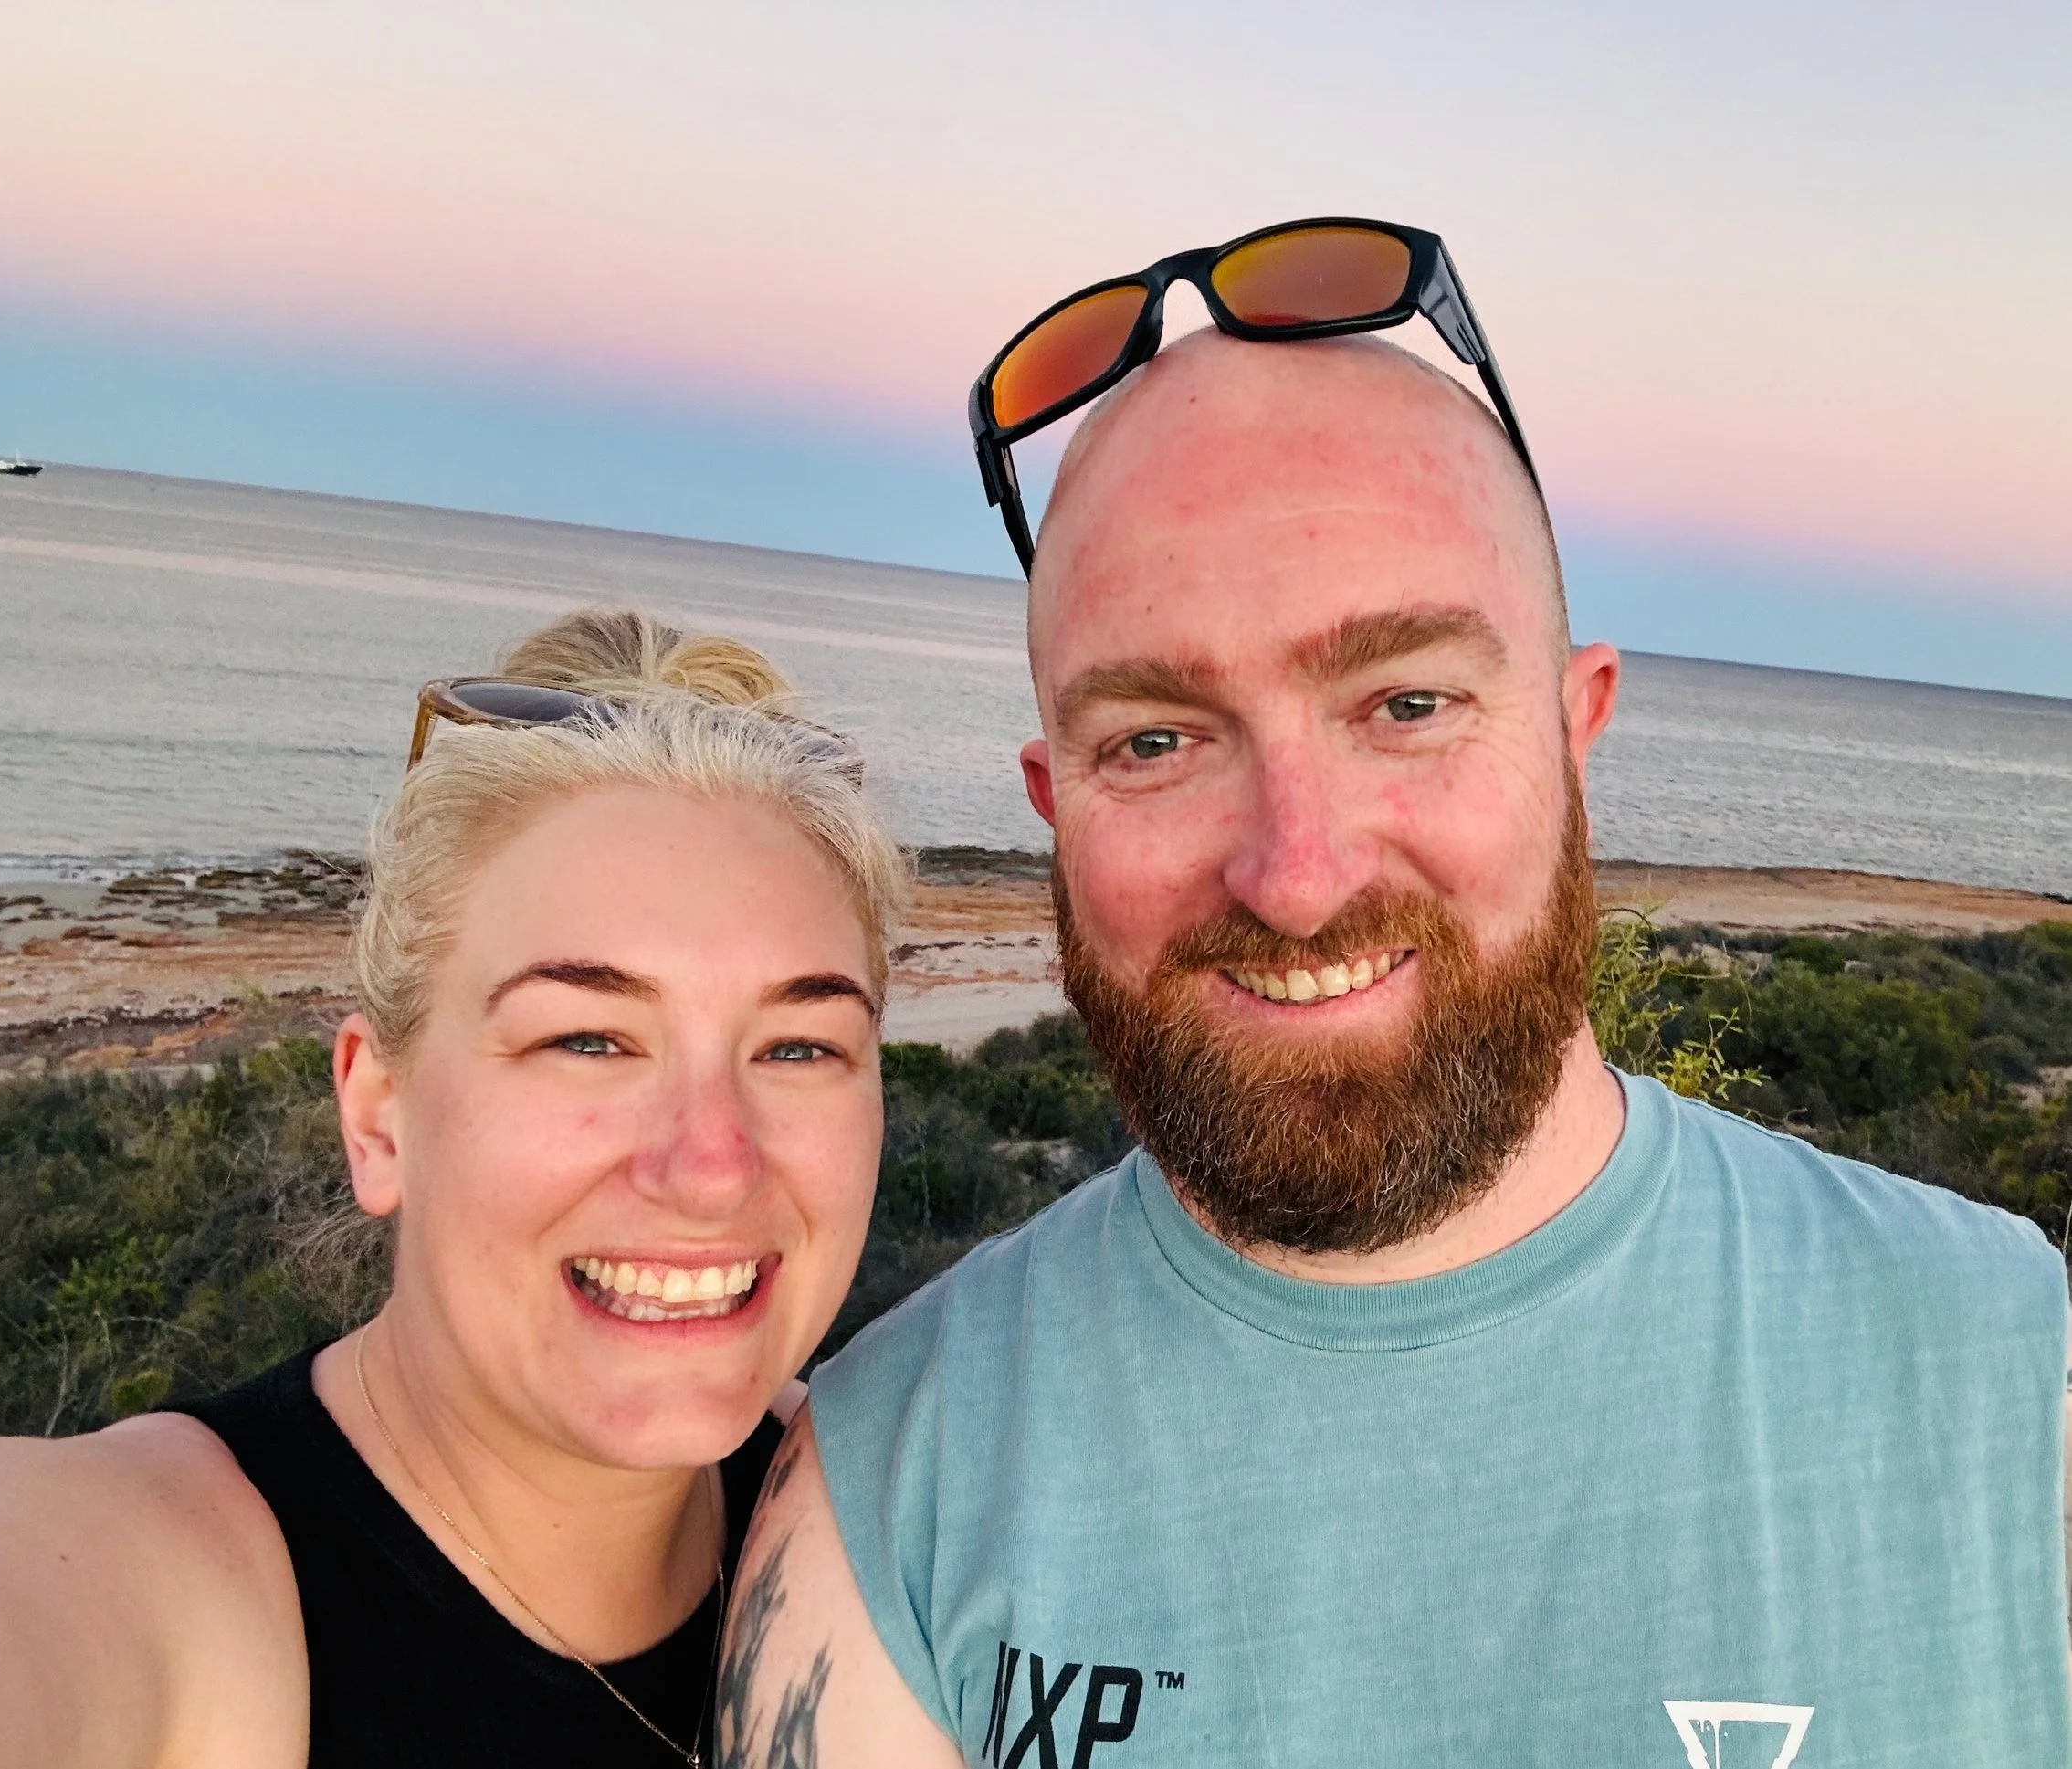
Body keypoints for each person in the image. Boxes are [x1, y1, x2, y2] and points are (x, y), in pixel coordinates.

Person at [724, 237, 2072, 1764]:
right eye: (1157, 741)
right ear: (1053, 803)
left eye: (1408, 704)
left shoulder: (2017, 1386)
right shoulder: (893, 1490)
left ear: (1578, 728)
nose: (1295, 877)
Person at [0, 608, 906, 1768]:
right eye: (589, 1039)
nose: (712, 1165)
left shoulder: (906, 1517)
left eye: (799, 1047)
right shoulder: (147, 1581)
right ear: (379, 1114)